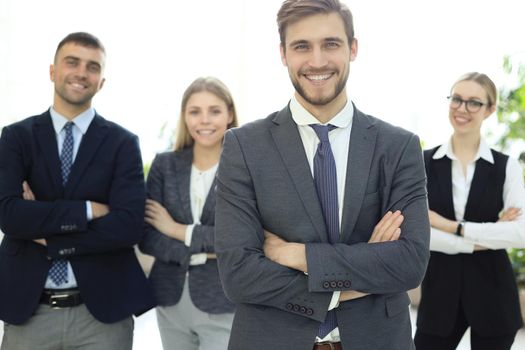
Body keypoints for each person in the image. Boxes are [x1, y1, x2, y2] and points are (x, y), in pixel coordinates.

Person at [214, 0, 430, 349]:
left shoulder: (398, 146)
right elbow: (238, 274)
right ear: (283, 53)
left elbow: (409, 264)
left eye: (331, 43)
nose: (317, 61)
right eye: (302, 46)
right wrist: (351, 280)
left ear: (353, 48)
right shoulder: (243, 146)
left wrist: (297, 256)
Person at [0, 32, 154, 350]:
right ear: (53, 71)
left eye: (92, 66)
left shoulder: (123, 143)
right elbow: (9, 215)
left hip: (102, 316)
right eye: (72, 62)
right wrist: (88, 210)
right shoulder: (16, 138)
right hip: (29, 311)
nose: (82, 72)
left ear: (101, 82)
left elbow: (127, 227)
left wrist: (44, 229)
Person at [414, 72, 525, 350]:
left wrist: (451, 226)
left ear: (489, 110)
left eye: (474, 102)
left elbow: (520, 233)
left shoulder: (506, 166)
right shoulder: (423, 163)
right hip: (439, 295)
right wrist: (487, 236)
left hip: (495, 298)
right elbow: (417, 233)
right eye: (457, 99)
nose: (462, 109)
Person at [139, 77, 238, 350]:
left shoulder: (245, 169)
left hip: (223, 301)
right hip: (170, 299)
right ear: (185, 116)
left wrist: (175, 229)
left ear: (229, 114)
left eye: (214, 111)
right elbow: (147, 237)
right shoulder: (164, 165)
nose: (204, 120)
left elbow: (240, 240)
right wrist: (204, 252)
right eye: (195, 111)